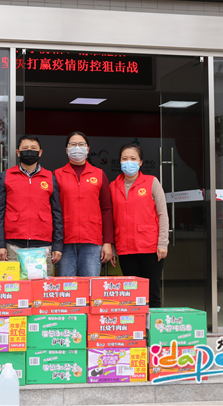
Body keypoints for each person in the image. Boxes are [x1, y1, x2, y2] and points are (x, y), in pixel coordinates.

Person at [0, 135, 63, 275]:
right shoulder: (6, 176)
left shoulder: (50, 177)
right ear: (18, 152)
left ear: (40, 152)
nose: (29, 151)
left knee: (42, 286)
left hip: (43, 244)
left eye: (33, 148)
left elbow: (57, 214)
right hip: (13, 244)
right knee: (13, 285)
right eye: (25, 148)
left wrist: (58, 245)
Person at [110, 143, 169, 308]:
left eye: (133, 158)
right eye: (124, 158)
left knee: (152, 293)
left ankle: (153, 324)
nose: (128, 162)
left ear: (141, 162)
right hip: (125, 248)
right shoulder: (113, 186)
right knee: (133, 295)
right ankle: (137, 325)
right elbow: (110, 218)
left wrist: (163, 243)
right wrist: (112, 246)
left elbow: (162, 214)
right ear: (120, 161)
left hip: (150, 247)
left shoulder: (151, 182)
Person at [54, 131, 114, 277]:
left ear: (88, 149)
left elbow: (106, 209)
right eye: (73, 144)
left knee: (90, 285)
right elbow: (52, 210)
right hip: (64, 241)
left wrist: (107, 242)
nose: (77, 147)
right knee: (66, 286)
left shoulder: (99, 174)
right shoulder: (57, 175)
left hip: (92, 240)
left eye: (81, 144)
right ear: (66, 150)